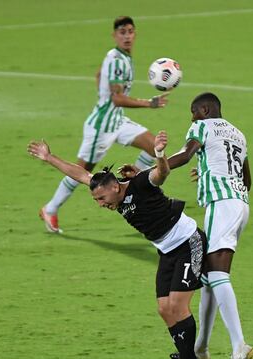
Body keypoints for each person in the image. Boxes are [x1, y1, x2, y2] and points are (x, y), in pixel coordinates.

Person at [27, 132, 207, 359]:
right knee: (163, 309)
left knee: (177, 306)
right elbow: (80, 174)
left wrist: (158, 154)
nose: (100, 204)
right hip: (167, 250)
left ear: (115, 187)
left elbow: (163, 173)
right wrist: (49, 157)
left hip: (187, 242)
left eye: (101, 199)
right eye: (96, 201)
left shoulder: (140, 183)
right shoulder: (111, 191)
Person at [120, 92, 253, 359]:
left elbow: (183, 155)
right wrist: (209, 173)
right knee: (208, 277)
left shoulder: (202, 127)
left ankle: (238, 344)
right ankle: (202, 348)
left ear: (204, 110)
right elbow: (246, 180)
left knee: (218, 275)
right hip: (240, 205)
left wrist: (144, 172)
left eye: (193, 113)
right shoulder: (239, 134)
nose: (191, 118)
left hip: (221, 204)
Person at [39, 16, 168, 234]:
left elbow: (99, 75)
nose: (127, 36)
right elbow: (117, 98)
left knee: (151, 145)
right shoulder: (118, 60)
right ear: (114, 35)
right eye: (122, 32)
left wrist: (102, 94)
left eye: (130, 31)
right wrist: (150, 103)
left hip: (117, 119)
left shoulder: (117, 56)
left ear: (135, 34)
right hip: (102, 126)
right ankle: (50, 209)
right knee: (83, 172)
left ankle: (137, 189)